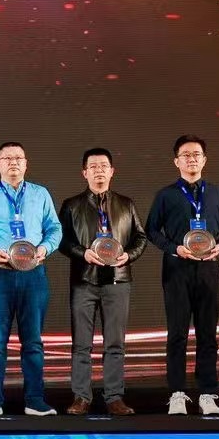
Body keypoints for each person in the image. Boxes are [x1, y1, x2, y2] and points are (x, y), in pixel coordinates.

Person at [0, 142, 62, 416]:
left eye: (18, 158)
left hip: (33, 275)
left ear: (26, 163)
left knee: (33, 342)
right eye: (7, 158)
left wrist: (45, 248)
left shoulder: (40, 194)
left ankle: (35, 401)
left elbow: (54, 227)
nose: (13, 162)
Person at [145, 135, 219, 417]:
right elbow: (151, 230)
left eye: (196, 154)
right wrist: (174, 249)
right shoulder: (166, 195)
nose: (191, 159)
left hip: (209, 268)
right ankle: (177, 393)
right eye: (186, 155)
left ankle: (208, 393)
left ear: (204, 160)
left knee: (208, 334)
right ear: (176, 161)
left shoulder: (216, 193)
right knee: (177, 334)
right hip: (177, 269)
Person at [58, 147, 147, 415]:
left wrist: (128, 256)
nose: (99, 170)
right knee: (81, 344)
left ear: (112, 171)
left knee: (115, 343)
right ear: (84, 173)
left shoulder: (126, 204)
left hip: (118, 281)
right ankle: (81, 397)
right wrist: (82, 253)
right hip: (83, 281)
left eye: (103, 166)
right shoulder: (72, 205)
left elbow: (141, 237)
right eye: (93, 166)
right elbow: (62, 240)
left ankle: (114, 397)